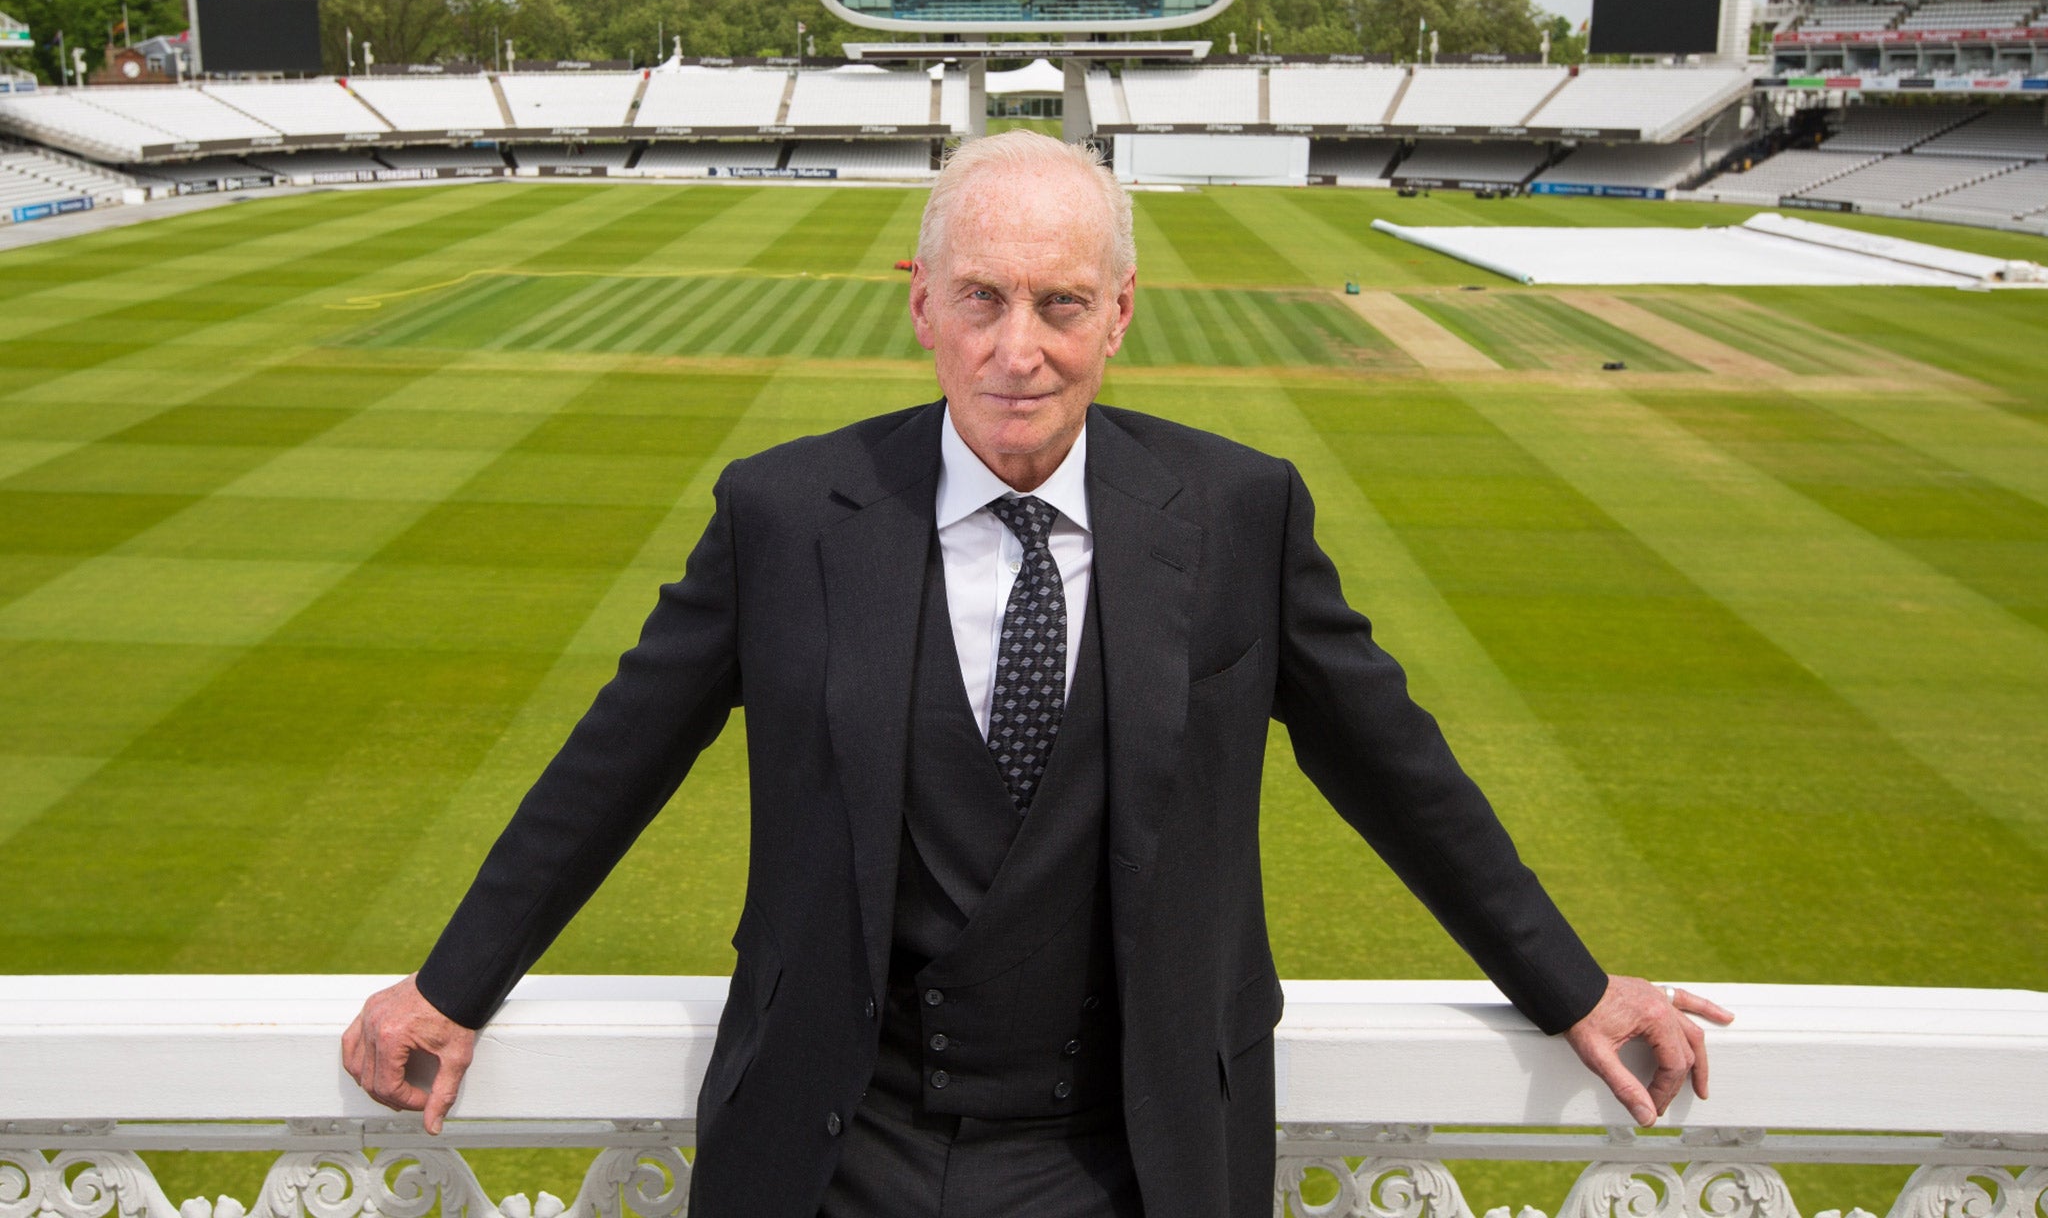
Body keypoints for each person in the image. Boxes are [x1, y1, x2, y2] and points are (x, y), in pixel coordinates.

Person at [342, 131, 1731, 1218]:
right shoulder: (785, 514)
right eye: (984, 300)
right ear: (920, 305)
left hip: (1132, 1157)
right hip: (840, 1152)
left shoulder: (1241, 511)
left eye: (1063, 304)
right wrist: (455, 985)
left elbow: (1391, 763)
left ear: (1122, 311)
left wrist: (1574, 984)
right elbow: (618, 757)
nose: (1023, 351)